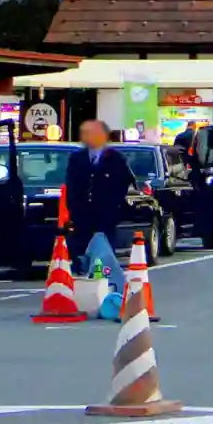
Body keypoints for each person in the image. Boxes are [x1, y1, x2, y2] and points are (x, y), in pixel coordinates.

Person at [64, 120, 133, 294]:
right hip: (81, 215)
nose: (86, 137)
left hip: (105, 214)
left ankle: (108, 285)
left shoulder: (115, 159)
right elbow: (71, 184)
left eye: (91, 132)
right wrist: (73, 207)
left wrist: (113, 205)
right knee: (81, 250)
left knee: (105, 250)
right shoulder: (76, 158)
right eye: (84, 133)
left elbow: (122, 184)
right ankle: (84, 286)